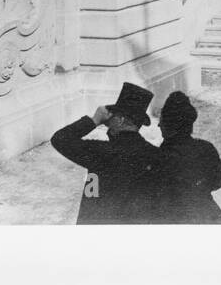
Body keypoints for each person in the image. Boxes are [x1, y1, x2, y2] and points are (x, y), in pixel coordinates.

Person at [50, 82, 162, 224]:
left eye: (111, 116)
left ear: (121, 120)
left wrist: (95, 120)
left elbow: (60, 139)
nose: (107, 122)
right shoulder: (156, 154)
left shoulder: (102, 152)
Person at [156, 91, 221, 224]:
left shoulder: (159, 156)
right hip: (207, 215)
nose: (158, 125)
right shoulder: (206, 148)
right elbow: (218, 182)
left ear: (167, 125)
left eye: (161, 121)